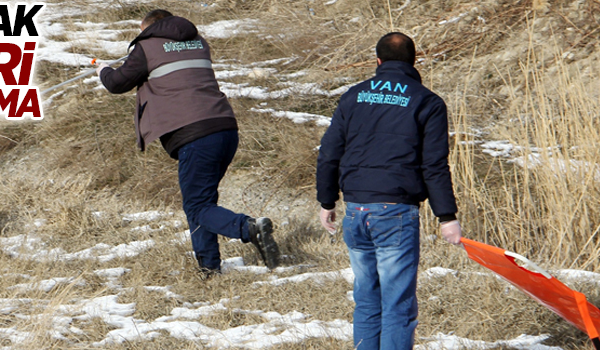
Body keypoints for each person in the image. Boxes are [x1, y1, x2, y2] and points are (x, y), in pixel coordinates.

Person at [97, 9, 280, 275]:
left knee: (197, 205)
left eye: (142, 30)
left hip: (194, 135)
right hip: (225, 128)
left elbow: (116, 83)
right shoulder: (199, 42)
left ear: (148, 28)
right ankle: (209, 267)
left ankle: (249, 228)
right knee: (203, 202)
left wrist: (103, 69)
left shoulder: (147, 45)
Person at [315, 32, 463, 350]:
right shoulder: (428, 102)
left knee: (367, 301)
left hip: (356, 211)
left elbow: (328, 153)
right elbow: (434, 165)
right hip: (395, 213)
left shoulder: (354, 96)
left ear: (377, 62)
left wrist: (327, 200)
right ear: (414, 61)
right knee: (398, 306)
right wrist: (446, 216)